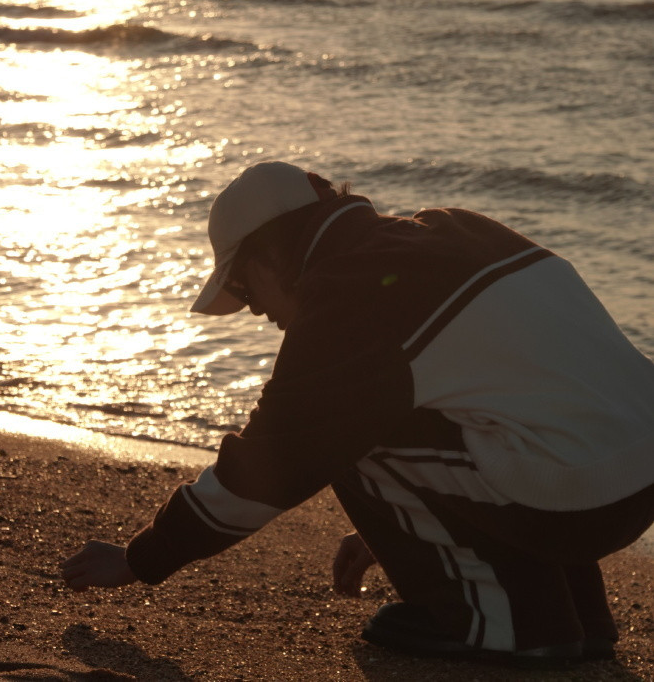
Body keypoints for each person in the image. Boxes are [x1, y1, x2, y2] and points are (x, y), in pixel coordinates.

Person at [61, 161, 654, 664]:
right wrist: (412, 527)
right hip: (630, 473)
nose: (253, 312)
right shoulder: (455, 229)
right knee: (383, 413)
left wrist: (139, 559)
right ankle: (581, 621)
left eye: (242, 288)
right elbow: (528, 398)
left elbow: (268, 468)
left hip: (575, 500)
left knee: (341, 429)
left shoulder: (350, 295)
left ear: (270, 257)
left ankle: (510, 629)